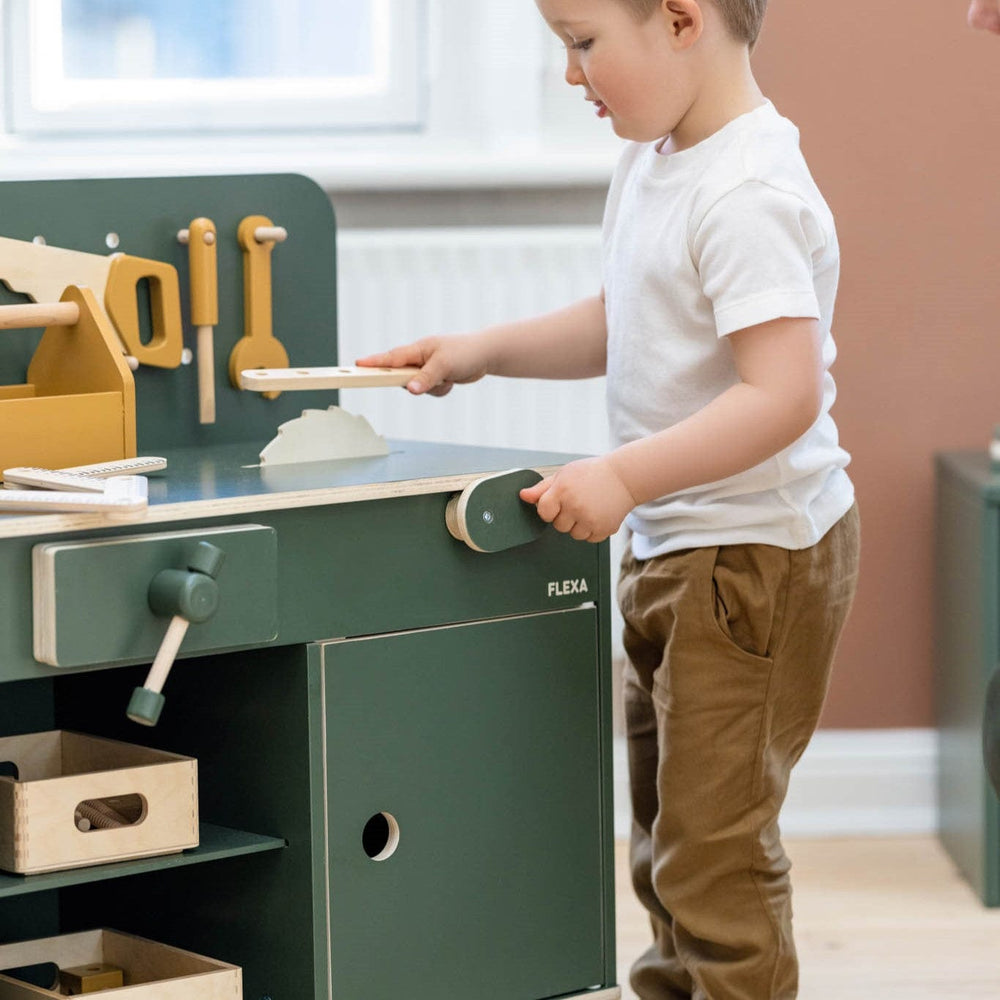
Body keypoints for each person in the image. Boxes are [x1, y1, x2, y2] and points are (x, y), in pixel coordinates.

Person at [359, 1, 860, 996]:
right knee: (667, 835)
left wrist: (623, 477)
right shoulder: (656, 160)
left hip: (751, 557)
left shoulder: (746, 192)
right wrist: (481, 352)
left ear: (679, 19)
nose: (570, 75)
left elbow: (783, 394)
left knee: (713, 852)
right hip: (683, 546)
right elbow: (626, 315)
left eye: (583, 44)